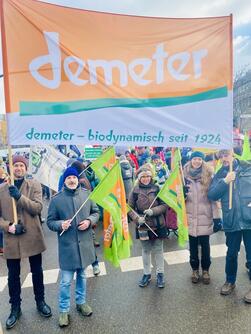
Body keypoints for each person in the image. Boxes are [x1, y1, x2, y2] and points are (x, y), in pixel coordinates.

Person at [0, 155, 51, 330]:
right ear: (10, 168)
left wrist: (19, 196)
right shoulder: (1, 189)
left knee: (37, 271)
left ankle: (40, 301)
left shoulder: (34, 185)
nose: (18, 168)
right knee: (13, 276)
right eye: (15, 165)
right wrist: (9, 227)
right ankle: (15, 308)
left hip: (32, 236)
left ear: (26, 168)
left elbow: (37, 208)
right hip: (12, 238)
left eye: (21, 165)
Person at [47, 167, 100, 327]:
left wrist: (90, 221)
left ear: (78, 179)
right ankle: (64, 311)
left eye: (74, 177)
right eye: (69, 177)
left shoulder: (87, 195)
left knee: (82, 277)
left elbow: (96, 212)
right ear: (65, 180)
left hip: (84, 246)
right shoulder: (56, 200)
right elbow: (50, 222)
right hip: (68, 248)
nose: (72, 180)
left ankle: (81, 302)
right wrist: (60, 224)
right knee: (65, 282)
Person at [208, 149, 251, 302]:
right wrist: (225, 181)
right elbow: (212, 195)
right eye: (221, 157)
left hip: (249, 219)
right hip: (231, 220)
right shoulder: (220, 174)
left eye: (226, 155)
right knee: (232, 254)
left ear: (233, 154)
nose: (223, 159)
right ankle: (230, 281)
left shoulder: (248, 167)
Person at [183, 151, 222, 284]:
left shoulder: (209, 176)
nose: (197, 161)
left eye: (199, 159)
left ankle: (205, 270)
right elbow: (177, 199)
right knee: (192, 247)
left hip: (205, 216)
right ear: (191, 160)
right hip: (189, 218)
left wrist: (217, 217)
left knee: (205, 246)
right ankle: (194, 270)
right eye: (195, 159)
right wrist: (180, 194)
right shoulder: (183, 175)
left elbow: (213, 198)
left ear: (202, 160)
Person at [128, 167, 168, 288]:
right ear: (139, 178)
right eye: (143, 177)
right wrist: (136, 218)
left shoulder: (157, 189)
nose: (145, 179)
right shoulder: (134, 191)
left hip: (158, 224)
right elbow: (129, 208)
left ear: (151, 177)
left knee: (158, 250)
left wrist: (153, 211)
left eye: (147, 176)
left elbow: (165, 205)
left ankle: (160, 274)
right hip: (143, 226)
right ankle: (147, 274)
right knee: (145, 250)